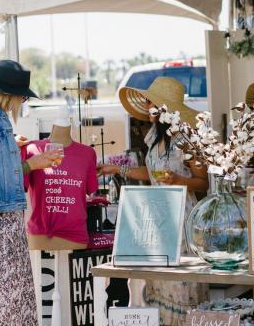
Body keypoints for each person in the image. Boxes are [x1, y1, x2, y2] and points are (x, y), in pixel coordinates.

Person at [98, 77, 208, 326]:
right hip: (158, 217)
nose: (147, 107)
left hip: (181, 216)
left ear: (164, 107)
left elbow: (203, 182)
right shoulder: (154, 139)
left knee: (179, 281)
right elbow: (151, 173)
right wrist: (116, 169)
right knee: (158, 280)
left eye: (151, 102)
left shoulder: (186, 139)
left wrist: (178, 180)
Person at [0, 59, 63, 325]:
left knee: (9, 302)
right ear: (7, 94)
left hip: (2, 221)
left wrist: (17, 152)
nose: (22, 102)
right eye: (22, 96)